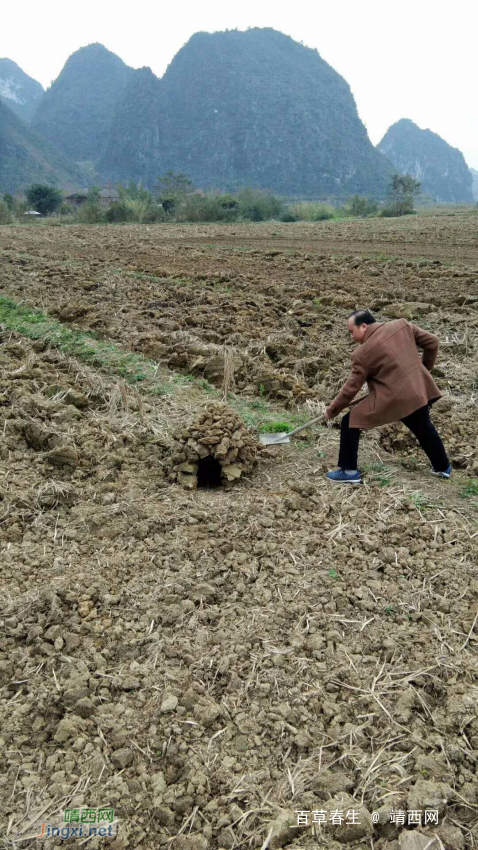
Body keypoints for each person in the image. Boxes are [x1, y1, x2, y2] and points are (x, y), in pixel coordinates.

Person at [323, 309, 451, 484]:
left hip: (394, 399)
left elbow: (350, 389)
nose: (351, 336)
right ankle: (443, 468)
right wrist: (423, 372)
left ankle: (349, 471)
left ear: (364, 326)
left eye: (351, 331)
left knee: (349, 421)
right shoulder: (402, 325)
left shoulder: (362, 354)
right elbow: (433, 342)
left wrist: (332, 411)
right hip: (417, 392)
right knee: (424, 428)